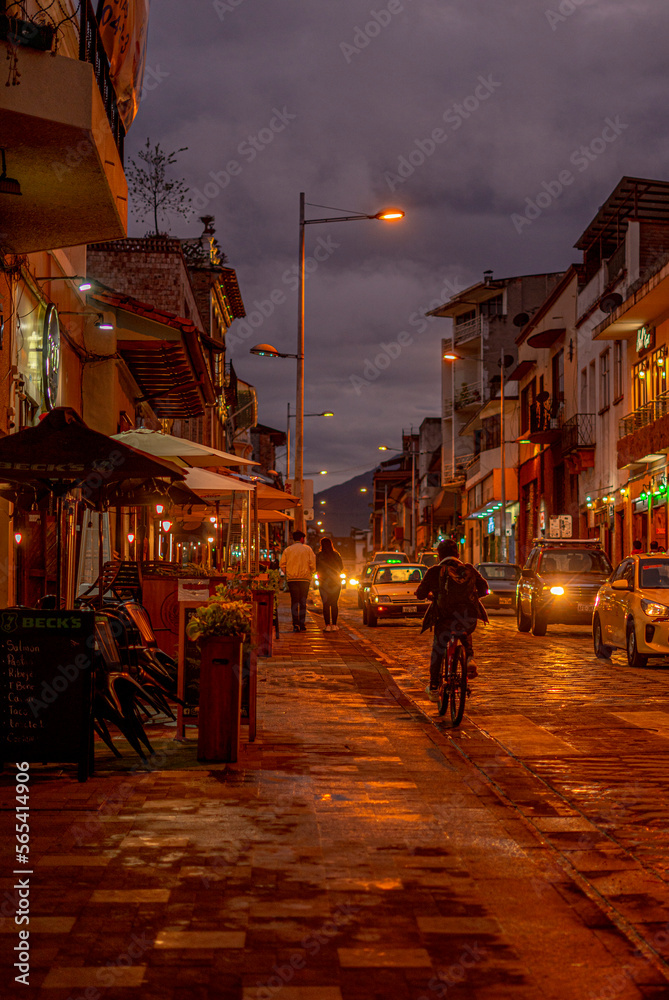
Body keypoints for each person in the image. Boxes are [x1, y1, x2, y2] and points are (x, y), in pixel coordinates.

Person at [415, 538, 488, 701]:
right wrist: (472, 596)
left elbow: (420, 594)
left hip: (444, 619)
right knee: (464, 630)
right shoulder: (469, 570)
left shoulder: (434, 571)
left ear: (439, 556)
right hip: (467, 618)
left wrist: (429, 595)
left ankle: (434, 687)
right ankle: (469, 657)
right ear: (458, 554)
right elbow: (485, 589)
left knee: (438, 648)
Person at [279, 530, 316, 632]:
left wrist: (288, 572)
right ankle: (302, 624)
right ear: (302, 539)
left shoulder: (288, 550)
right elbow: (313, 564)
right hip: (304, 579)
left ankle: (295, 624)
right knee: (303, 602)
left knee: (294, 601)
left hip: (292, 579)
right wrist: (311, 573)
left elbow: (282, 564)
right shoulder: (308, 549)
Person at [316, 537, 344, 632]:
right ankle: (335, 625)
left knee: (326, 604)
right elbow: (341, 567)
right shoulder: (336, 555)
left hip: (323, 583)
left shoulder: (319, 556)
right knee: (334, 603)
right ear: (331, 544)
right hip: (336, 582)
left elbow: (316, 568)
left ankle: (327, 625)